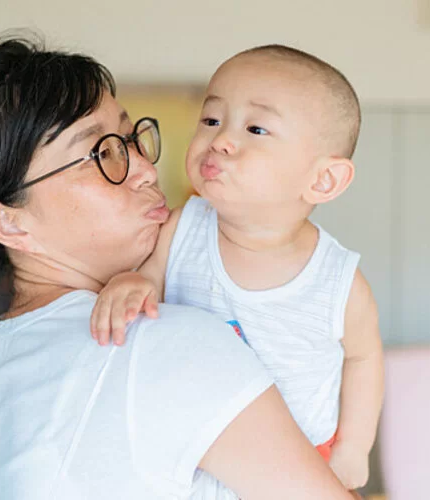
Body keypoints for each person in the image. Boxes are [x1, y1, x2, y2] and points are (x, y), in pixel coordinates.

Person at [0, 37, 357, 500]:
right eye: (101, 154)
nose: (144, 168)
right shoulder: (156, 341)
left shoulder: (12, 351)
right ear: (9, 224)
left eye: (128, 138)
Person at [91, 45, 384, 491]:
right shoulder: (183, 228)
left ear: (323, 180)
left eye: (256, 128)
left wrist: (354, 449)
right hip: (190, 461)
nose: (221, 139)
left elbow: (364, 358)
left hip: (300, 467)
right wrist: (131, 283)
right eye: (211, 120)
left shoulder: (337, 280)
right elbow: (148, 278)